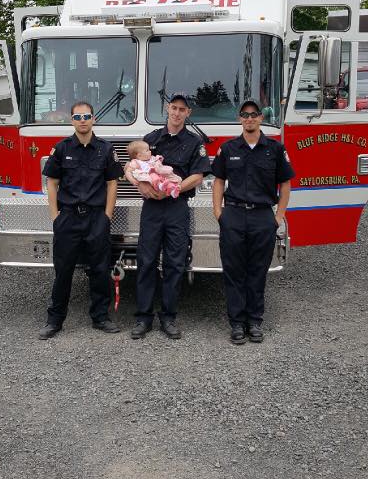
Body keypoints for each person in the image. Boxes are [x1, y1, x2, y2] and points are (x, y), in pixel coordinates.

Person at [125, 94, 211, 340]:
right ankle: (143, 318)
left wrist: (172, 189)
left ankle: (169, 317)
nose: (176, 113)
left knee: (175, 263)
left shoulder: (195, 143)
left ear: (188, 113)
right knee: (146, 260)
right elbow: (129, 167)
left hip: (177, 206)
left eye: (182, 109)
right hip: (152, 207)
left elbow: (199, 175)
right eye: (173, 108)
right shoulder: (150, 139)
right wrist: (140, 186)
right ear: (167, 109)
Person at [211, 99, 294, 345]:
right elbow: (218, 181)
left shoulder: (275, 149)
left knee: (258, 271)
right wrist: (219, 213)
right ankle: (237, 324)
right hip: (234, 216)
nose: (249, 118)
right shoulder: (228, 149)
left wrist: (278, 217)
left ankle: (255, 321)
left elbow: (286, 184)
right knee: (234, 272)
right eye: (245, 115)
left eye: (254, 114)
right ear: (240, 119)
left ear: (261, 118)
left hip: (262, 217)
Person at [39, 101, 123, 339]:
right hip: (68, 219)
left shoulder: (105, 150)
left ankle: (100, 317)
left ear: (93, 119)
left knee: (99, 270)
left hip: (97, 218)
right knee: (63, 271)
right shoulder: (62, 149)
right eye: (77, 117)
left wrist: (107, 215)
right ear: (72, 121)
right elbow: (52, 183)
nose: (82, 120)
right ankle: (54, 320)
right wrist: (55, 216)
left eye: (86, 116)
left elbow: (112, 184)